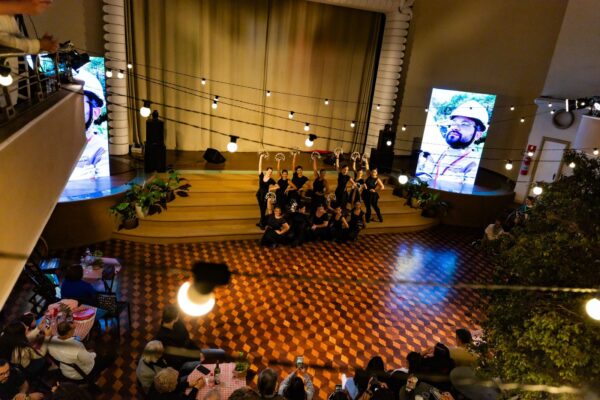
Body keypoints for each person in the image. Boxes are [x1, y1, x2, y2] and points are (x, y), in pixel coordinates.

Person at [416, 100, 490, 185]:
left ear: (478, 134)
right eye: (453, 122)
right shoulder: (433, 153)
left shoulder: (475, 165)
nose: (455, 127)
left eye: (464, 124)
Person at [69, 69, 109, 180]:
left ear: (95, 112)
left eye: (77, 104)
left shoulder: (102, 149)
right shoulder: (52, 146)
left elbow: (103, 184)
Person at [48, 321, 115, 381]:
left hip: (66, 371)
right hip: (80, 373)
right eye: (72, 330)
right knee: (110, 356)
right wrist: (93, 353)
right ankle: (100, 374)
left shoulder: (52, 341)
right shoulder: (76, 346)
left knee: (88, 351)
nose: (74, 330)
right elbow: (88, 361)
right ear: (68, 333)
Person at [256, 154, 278, 229]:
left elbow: (278, 186)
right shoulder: (261, 175)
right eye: (269, 171)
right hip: (259, 194)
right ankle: (261, 222)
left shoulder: (271, 180)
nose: (270, 172)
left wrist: (271, 189)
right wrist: (261, 157)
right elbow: (260, 166)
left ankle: (262, 224)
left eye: (271, 172)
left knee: (263, 209)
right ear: (266, 171)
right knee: (261, 209)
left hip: (265, 195)